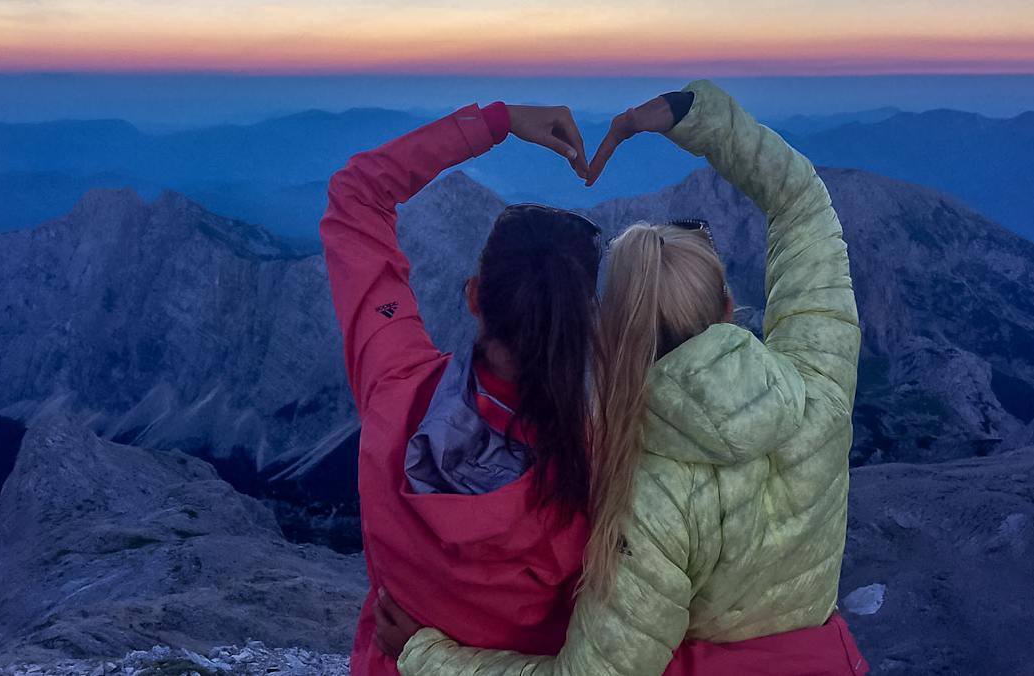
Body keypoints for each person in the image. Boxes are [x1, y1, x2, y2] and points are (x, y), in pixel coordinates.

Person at [376, 80, 870, 675]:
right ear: (727, 307)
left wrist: (423, 654)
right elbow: (802, 204)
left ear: (611, 342)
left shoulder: (649, 497)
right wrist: (690, 114)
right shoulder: (821, 383)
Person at [320, 100, 607, 675]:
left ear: (474, 295)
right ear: (585, 324)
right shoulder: (602, 471)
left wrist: (496, 123)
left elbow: (357, 193)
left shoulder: (394, 388)